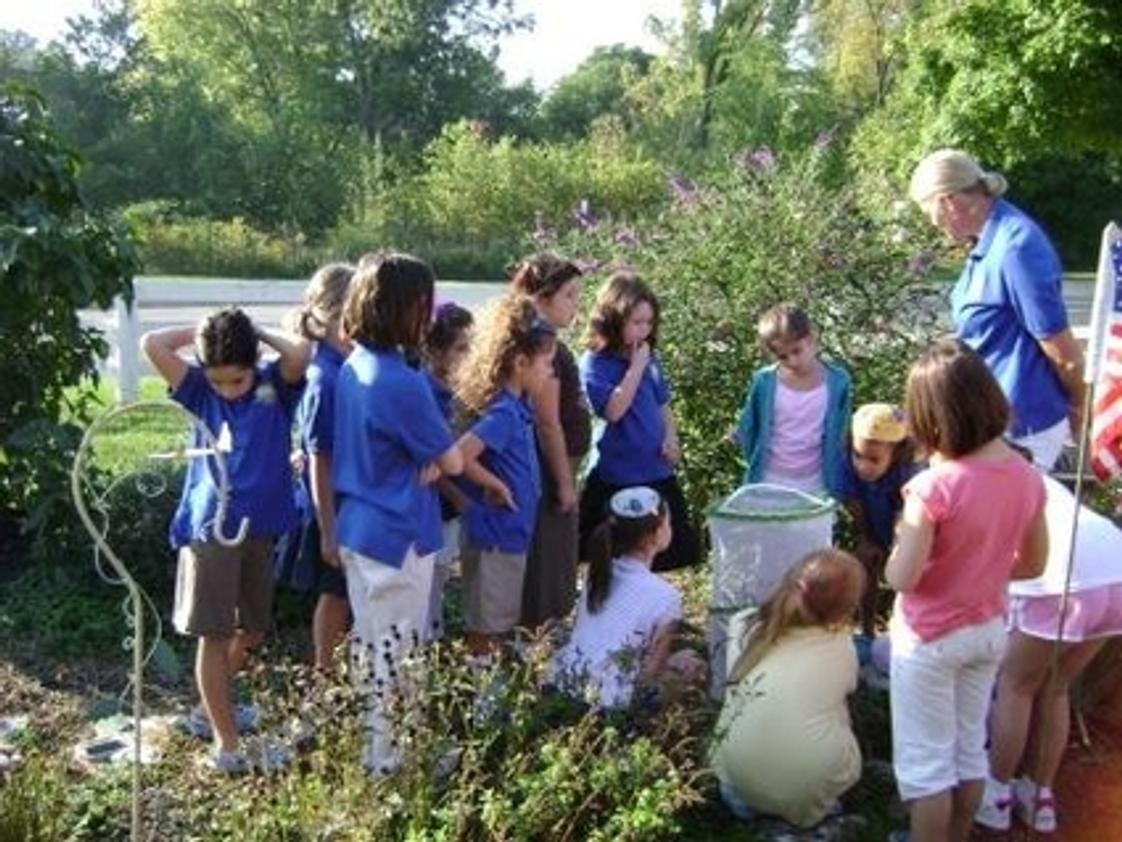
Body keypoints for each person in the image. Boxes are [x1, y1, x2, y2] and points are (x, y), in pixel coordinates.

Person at [886, 338, 1048, 842]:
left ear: (933, 415)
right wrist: (981, 571)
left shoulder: (934, 487)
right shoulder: (1026, 475)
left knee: (927, 769)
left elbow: (903, 578)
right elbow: (1035, 562)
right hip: (988, 630)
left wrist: (897, 547)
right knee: (966, 754)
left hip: (929, 639)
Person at [142, 307, 311, 773]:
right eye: (218, 381)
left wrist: (253, 332)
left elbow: (301, 350)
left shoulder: (272, 386)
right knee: (214, 634)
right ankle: (226, 743)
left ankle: (205, 709)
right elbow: (152, 344)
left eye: (236, 380)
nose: (226, 390)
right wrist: (200, 330)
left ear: (252, 364)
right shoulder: (198, 389)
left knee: (252, 628)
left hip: (260, 525)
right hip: (210, 528)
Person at [332, 253, 463, 775]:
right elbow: (451, 459)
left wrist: (428, 460)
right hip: (397, 533)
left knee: (372, 648)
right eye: (424, 304)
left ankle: (378, 750)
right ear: (406, 309)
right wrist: (434, 460)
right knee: (400, 655)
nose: (429, 316)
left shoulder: (353, 365)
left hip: (359, 526)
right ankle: (394, 765)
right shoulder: (402, 382)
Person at [908, 149, 1084, 471]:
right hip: (989, 417)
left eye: (927, 212)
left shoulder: (1016, 247)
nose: (932, 225)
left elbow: (1063, 353)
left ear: (947, 201)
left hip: (1022, 426)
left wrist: (1081, 410)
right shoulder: (988, 240)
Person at [977, 471, 1122, 833]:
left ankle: (995, 793)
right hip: (1115, 570)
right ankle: (1039, 795)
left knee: (1016, 685)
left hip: (1062, 579)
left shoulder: (980, 481)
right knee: (1056, 686)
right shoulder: (1036, 477)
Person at [710, 549, 865, 828]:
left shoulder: (744, 623)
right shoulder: (840, 646)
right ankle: (819, 816)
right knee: (838, 714)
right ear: (844, 609)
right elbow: (847, 692)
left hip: (735, 786)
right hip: (802, 795)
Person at [455, 294, 557, 655]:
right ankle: (482, 701)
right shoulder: (504, 413)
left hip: (509, 535)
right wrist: (494, 483)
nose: (550, 372)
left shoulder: (518, 408)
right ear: (520, 362)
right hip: (494, 538)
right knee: (487, 627)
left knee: (500, 620)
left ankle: (490, 695)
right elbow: (462, 456)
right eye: (546, 363)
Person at [579, 271, 699, 571]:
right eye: (636, 323)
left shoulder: (650, 357)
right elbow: (613, 411)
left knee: (660, 552)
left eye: (648, 323)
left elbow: (662, 403)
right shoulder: (596, 363)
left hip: (655, 469)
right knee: (615, 558)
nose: (643, 331)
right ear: (613, 319)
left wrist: (671, 437)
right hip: (617, 475)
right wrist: (635, 367)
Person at [272, 262, 355, 671]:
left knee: (343, 593)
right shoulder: (326, 375)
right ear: (333, 311)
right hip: (330, 504)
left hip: (344, 499)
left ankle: (334, 673)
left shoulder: (343, 363)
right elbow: (321, 456)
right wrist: (329, 529)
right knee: (335, 594)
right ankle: (325, 675)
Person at [554, 486, 704, 707]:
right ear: (656, 534)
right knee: (693, 663)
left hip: (563, 685)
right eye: (668, 523)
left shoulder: (596, 574)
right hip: (608, 705)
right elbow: (650, 672)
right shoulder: (666, 596)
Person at [509, 254, 592, 631]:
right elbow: (548, 422)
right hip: (549, 467)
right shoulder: (543, 346)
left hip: (559, 463)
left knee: (555, 554)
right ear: (542, 298)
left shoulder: (547, 340)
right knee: (549, 557)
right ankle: (540, 633)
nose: (576, 305)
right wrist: (563, 483)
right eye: (569, 295)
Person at [735, 303, 851, 498]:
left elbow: (841, 432)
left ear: (812, 338)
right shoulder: (764, 381)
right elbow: (749, 426)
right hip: (769, 479)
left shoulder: (839, 381)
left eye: (796, 351)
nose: (792, 361)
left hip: (818, 481)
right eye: (783, 356)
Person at [839, 402, 919, 639]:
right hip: (872, 521)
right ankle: (866, 632)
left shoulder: (910, 471)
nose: (862, 466)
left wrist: (896, 547)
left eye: (874, 460)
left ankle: (904, 631)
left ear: (897, 454)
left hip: (909, 528)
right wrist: (867, 539)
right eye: (858, 455)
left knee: (906, 577)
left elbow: (907, 514)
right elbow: (853, 502)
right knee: (866, 565)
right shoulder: (845, 464)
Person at [422, 301, 474, 639]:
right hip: (435, 502)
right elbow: (432, 460)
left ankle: (434, 633)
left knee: (441, 573)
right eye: (461, 348)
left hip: (453, 503)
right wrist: (459, 498)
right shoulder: (426, 392)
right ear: (436, 351)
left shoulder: (460, 391)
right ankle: (426, 638)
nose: (469, 356)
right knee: (429, 574)